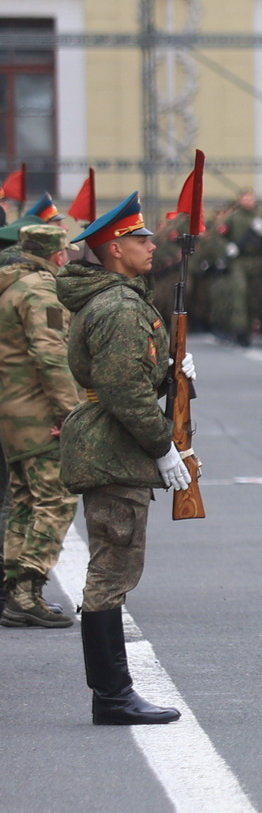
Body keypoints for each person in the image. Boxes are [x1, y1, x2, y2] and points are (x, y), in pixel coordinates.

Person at [55, 193, 188, 725]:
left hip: (110, 444)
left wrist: (173, 370)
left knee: (113, 566)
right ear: (115, 250)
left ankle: (112, 693)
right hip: (115, 449)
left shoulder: (119, 301)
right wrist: (163, 447)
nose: (152, 245)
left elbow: (133, 376)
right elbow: (124, 390)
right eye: (140, 239)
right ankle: (112, 696)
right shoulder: (119, 307)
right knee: (111, 571)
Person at [0, 218, 81, 627]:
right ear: (57, 254)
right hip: (37, 412)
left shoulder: (9, 285)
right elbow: (51, 357)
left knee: (24, 501)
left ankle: (12, 585)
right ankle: (27, 590)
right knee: (56, 497)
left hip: (12, 412)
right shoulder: (40, 290)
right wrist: (72, 413)